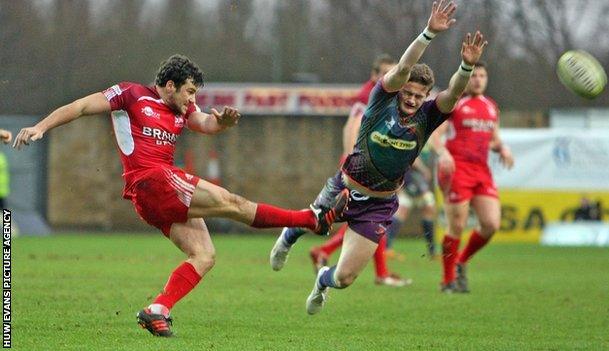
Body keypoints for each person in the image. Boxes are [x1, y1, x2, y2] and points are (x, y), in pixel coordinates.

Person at [12, 55, 348, 337]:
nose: (192, 98)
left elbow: (204, 123)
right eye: (189, 91)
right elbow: (82, 106)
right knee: (233, 204)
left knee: (204, 255)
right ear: (170, 85)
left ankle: (157, 309)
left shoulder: (182, 109)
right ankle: (312, 220)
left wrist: (223, 125)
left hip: (156, 195)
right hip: (151, 180)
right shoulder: (131, 95)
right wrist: (41, 127)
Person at [271, 0, 488, 314]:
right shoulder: (381, 99)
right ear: (399, 89)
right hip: (345, 187)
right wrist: (428, 32)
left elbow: (454, 93)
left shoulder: (428, 117)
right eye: (408, 93)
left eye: (419, 95)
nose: (412, 99)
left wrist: (466, 67)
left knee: (344, 278)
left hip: (380, 203)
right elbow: (402, 68)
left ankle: (322, 281)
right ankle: (288, 236)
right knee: (313, 223)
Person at [308, 55, 413, 287]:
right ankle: (308, 242)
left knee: (371, 217)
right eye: (385, 72)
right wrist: (351, 159)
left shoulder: (388, 95)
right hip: (361, 168)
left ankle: (326, 250)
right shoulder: (370, 94)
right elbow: (352, 125)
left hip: (372, 166)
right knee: (375, 214)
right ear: (374, 75)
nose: (390, 76)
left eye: (393, 72)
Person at [430, 62, 514, 293]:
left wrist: (503, 149)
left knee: (491, 224)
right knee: (456, 226)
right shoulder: (455, 104)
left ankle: (461, 261)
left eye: (482, 75)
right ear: (466, 79)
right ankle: (447, 280)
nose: (478, 79)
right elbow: (435, 136)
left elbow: (494, 140)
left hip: (481, 171)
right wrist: (443, 153)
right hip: (458, 170)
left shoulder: (491, 107)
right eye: (474, 75)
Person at [385, 151, 437, 260]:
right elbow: (411, 156)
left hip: (419, 180)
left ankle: (432, 251)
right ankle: (387, 248)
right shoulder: (413, 137)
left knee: (429, 208)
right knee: (403, 208)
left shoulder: (430, 140)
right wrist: (423, 169)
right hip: (407, 178)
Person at [0, 129, 11, 209]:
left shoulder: (1, 157)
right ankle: (7, 222)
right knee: (5, 212)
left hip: (2, 192)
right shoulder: (2, 156)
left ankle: (7, 222)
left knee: (5, 212)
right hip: (3, 191)